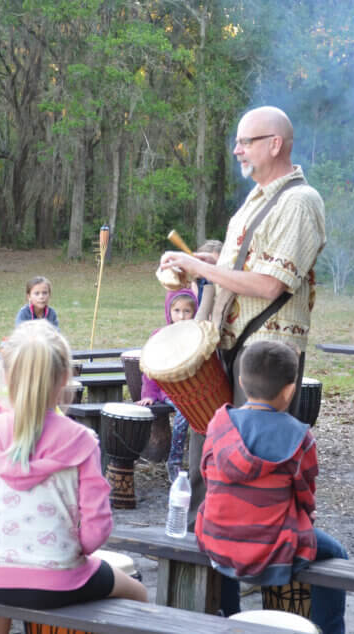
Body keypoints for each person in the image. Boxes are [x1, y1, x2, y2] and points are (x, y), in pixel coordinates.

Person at [159, 106, 325, 529]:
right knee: (209, 456)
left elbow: (271, 285)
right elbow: (246, 266)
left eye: (245, 141)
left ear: (274, 144)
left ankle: (241, 556)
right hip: (230, 345)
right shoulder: (256, 199)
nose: (236, 150)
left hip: (266, 353)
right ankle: (203, 555)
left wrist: (202, 270)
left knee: (248, 466)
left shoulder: (300, 202)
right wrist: (207, 261)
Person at [0, 320, 148, 634]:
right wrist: (71, 548)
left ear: (9, 377)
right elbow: (97, 530)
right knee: (138, 593)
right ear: (63, 379)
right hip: (60, 578)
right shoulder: (82, 441)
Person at [195, 341, 347, 632]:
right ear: (290, 390)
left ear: (241, 381)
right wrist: (306, 515)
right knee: (337, 553)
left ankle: (230, 613)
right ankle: (330, 629)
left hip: (215, 535)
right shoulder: (300, 437)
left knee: (227, 539)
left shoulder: (218, 423)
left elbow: (206, 473)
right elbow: (306, 496)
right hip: (275, 544)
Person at [137, 289, 197, 482]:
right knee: (184, 411)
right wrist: (150, 394)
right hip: (170, 390)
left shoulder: (197, 335)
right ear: (169, 311)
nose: (181, 316)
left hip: (193, 390)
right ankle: (175, 460)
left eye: (187, 311)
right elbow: (150, 368)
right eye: (177, 310)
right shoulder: (160, 335)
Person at [190, 240, 222, 321]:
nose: (211, 269)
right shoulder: (196, 284)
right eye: (207, 265)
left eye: (215, 265)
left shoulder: (227, 284)